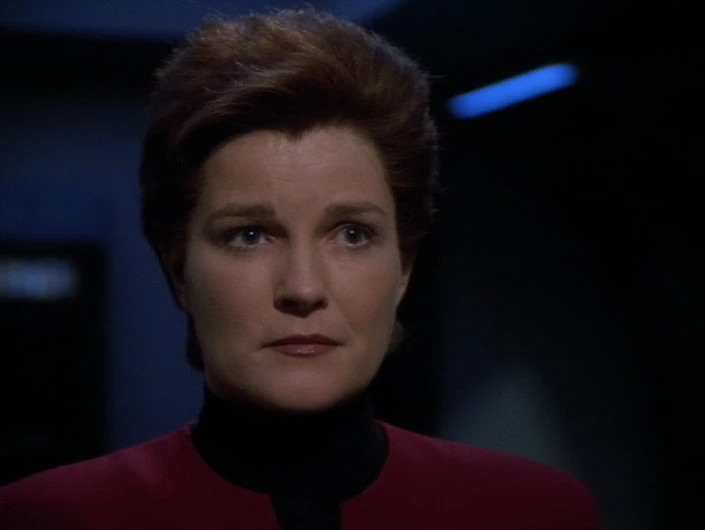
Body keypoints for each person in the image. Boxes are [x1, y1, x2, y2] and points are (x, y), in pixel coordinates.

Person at [0, 9, 601, 530]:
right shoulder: (47, 519)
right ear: (178, 271)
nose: (303, 288)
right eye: (249, 235)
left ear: (404, 268)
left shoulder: (535, 515)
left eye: (352, 234)